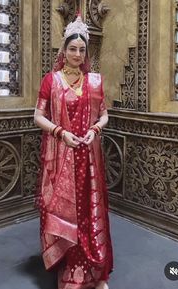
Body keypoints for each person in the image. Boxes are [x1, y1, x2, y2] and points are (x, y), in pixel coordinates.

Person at [34, 13, 113, 289]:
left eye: (82, 49)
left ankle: (94, 272)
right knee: (68, 213)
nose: (77, 54)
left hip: (88, 159)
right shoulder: (52, 81)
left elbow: (104, 116)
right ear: (64, 51)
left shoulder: (94, 82)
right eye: (72, 49)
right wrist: (60, 132)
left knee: (89, 213)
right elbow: (37, 116)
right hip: (61, 159)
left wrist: (95, 130)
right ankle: (70, 268)